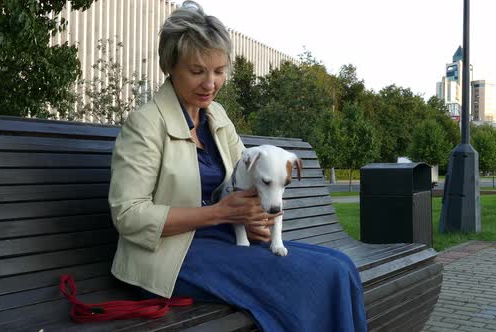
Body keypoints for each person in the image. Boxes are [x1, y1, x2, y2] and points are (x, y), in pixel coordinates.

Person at [108, 2, 366, 331]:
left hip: (222, 238)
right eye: (198, 71)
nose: (210, 83)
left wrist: (255, 218)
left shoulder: (217, 117)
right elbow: (127, 215)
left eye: (219, 71)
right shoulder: (144, 125)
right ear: (170, 66)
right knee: (319, 277)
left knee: (341, 266)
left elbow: (250, 181)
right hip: (167, 258)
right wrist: (220, 214)